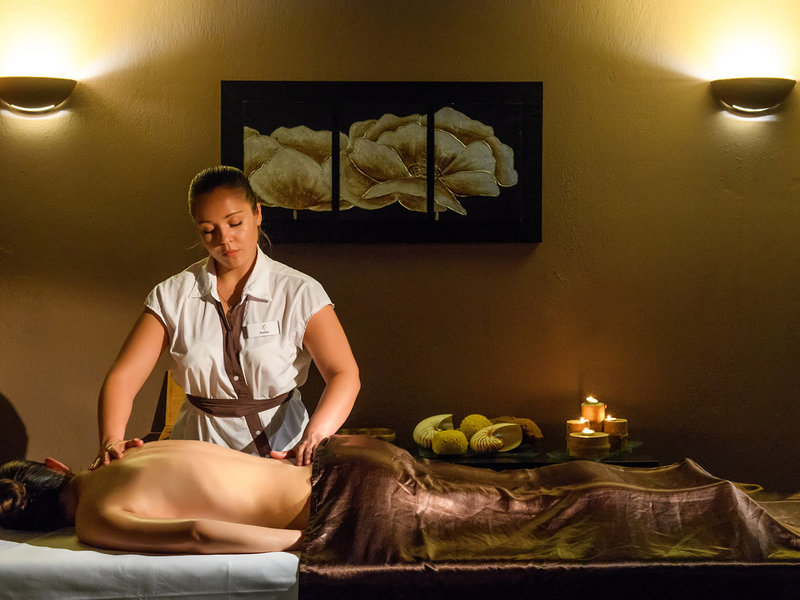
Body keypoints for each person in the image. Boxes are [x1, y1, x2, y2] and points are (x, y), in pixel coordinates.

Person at [94, 166, 359, 468]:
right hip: (197, 459)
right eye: (209, 230)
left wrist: (315, 435)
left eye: (235, 223)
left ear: (257, 213)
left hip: (283, 458)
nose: (224, 238)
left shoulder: (299, 292)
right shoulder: (172, 296)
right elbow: (123, 377)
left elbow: (344, 373)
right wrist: (111, 439)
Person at [0, 440, 310, 553]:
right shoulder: (128, 450)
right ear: (54, 466)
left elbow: (197, 534)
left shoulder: (93, 519)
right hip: (321, 464)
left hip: (322, 505)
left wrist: (304, 541)